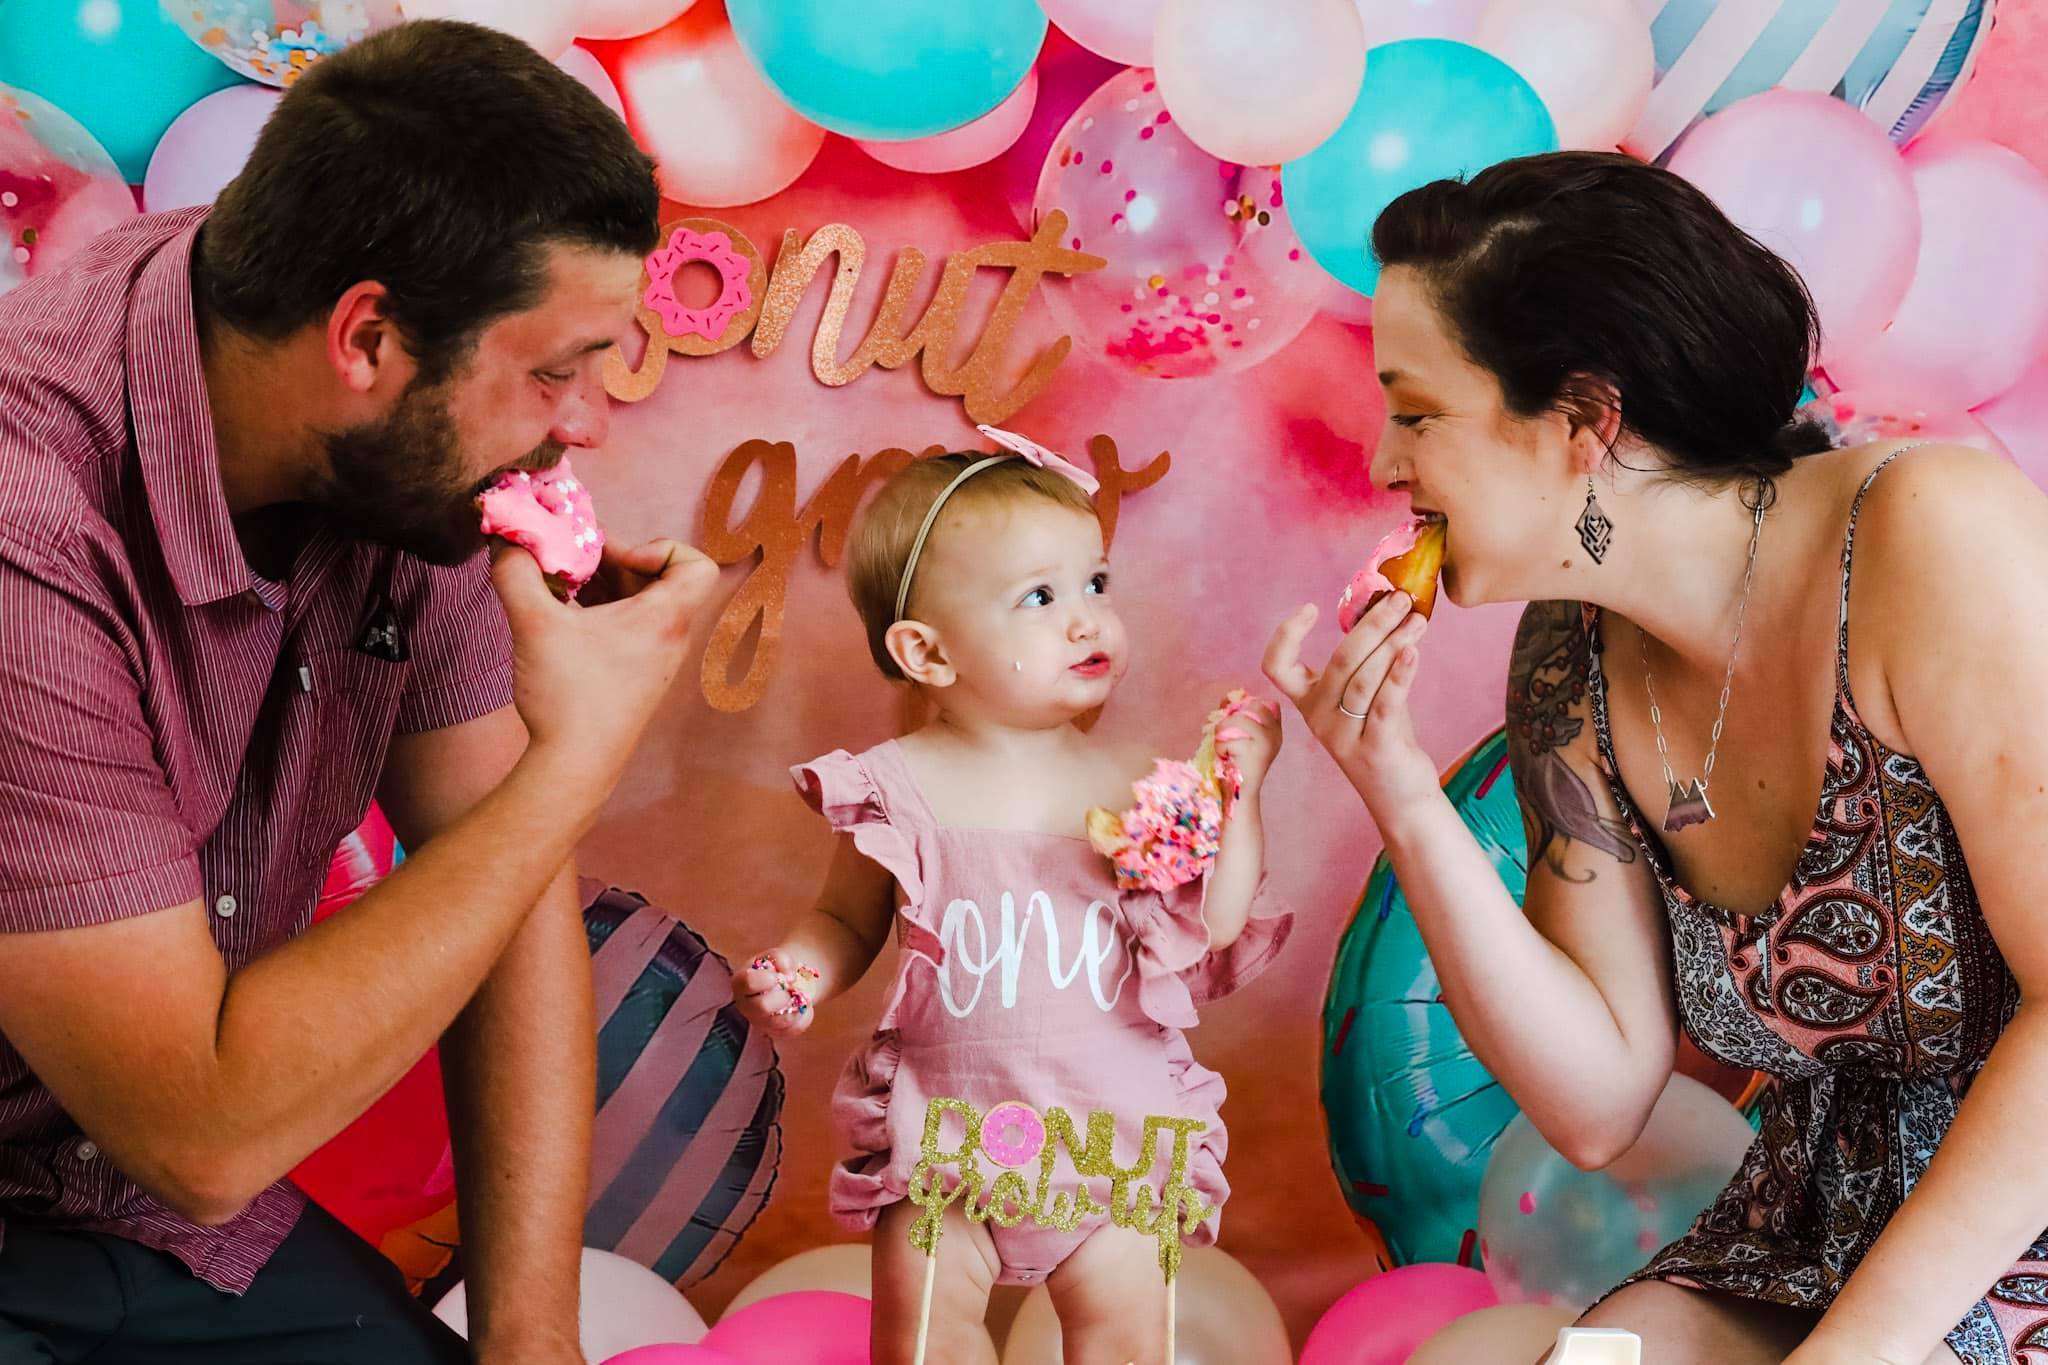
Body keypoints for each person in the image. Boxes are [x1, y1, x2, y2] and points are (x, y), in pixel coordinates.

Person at [0, 21, 716, 1364]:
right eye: (554, 370)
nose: (587, 424)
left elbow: (496, 889)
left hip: (141, 1215)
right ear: (367, 336)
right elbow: (203, 1132)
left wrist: (528, 1338)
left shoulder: (400, 465)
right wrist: (575, 763)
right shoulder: (24, 525)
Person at [1265, 150, 2048, 1365]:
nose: (1379, 463)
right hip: (1812, 1228)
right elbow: (1593, 1105)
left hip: (2009, 1213)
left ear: (1582, 419)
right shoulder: (1564, 665)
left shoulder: (1928, 536)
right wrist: (1398, 792)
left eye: (1415, 412)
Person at [735, 434, 1291, 1364]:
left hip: (1109, 1139)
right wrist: (802, 966)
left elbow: (1217, 925)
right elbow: (846, 918)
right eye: (1041, 597)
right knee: (920, 1337)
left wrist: (1243, 798)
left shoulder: (1137, 787)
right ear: (928, 651)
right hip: (946, 1139)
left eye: (1096, 584)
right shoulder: (894, 787)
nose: (1088, 621)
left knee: (1126, 1340)